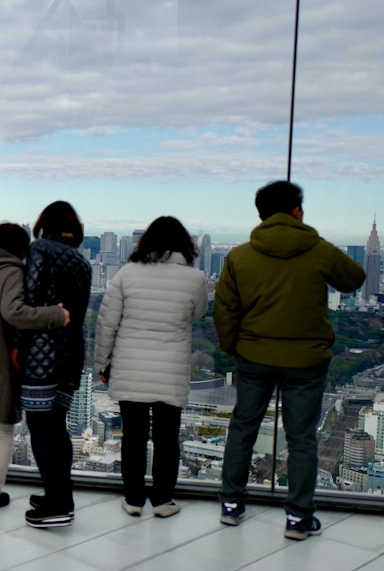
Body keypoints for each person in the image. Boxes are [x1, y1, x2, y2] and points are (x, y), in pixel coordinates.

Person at [215, 180, 365, 540]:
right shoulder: (317, 250)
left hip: (253, 356)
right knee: (301, 438)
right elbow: (355, 279)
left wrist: (233, 347)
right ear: (297, 211)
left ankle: (231, 506)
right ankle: (298, 518)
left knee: (243, 429)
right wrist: (317, 241)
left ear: (261, 214)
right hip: (305, 361)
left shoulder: (239, 255)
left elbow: (224, 310)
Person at [94, 216, 208, 518]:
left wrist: (102, 363)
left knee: (133, 436)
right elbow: (198, 313)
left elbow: (107, 324)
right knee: (167, 438)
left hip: (131, 366)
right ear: (186, 245)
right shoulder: (195, 279)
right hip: (170, 368)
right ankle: (162, 500)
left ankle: (133, 499)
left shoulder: (127, 274)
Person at [0, 223, 70, 512]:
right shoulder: (11, 272)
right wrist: (55, 315)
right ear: (19, 248)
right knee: (3, 426)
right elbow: (14, 312)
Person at [18, 201, 93, 528]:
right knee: (57, 428)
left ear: (43, 224)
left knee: (40, 429)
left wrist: (18, 344)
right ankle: (59, 494)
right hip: (72, 352)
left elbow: (30, 300)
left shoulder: (40, 250)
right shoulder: (82, 261)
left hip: (41, 352)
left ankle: (58, 503)